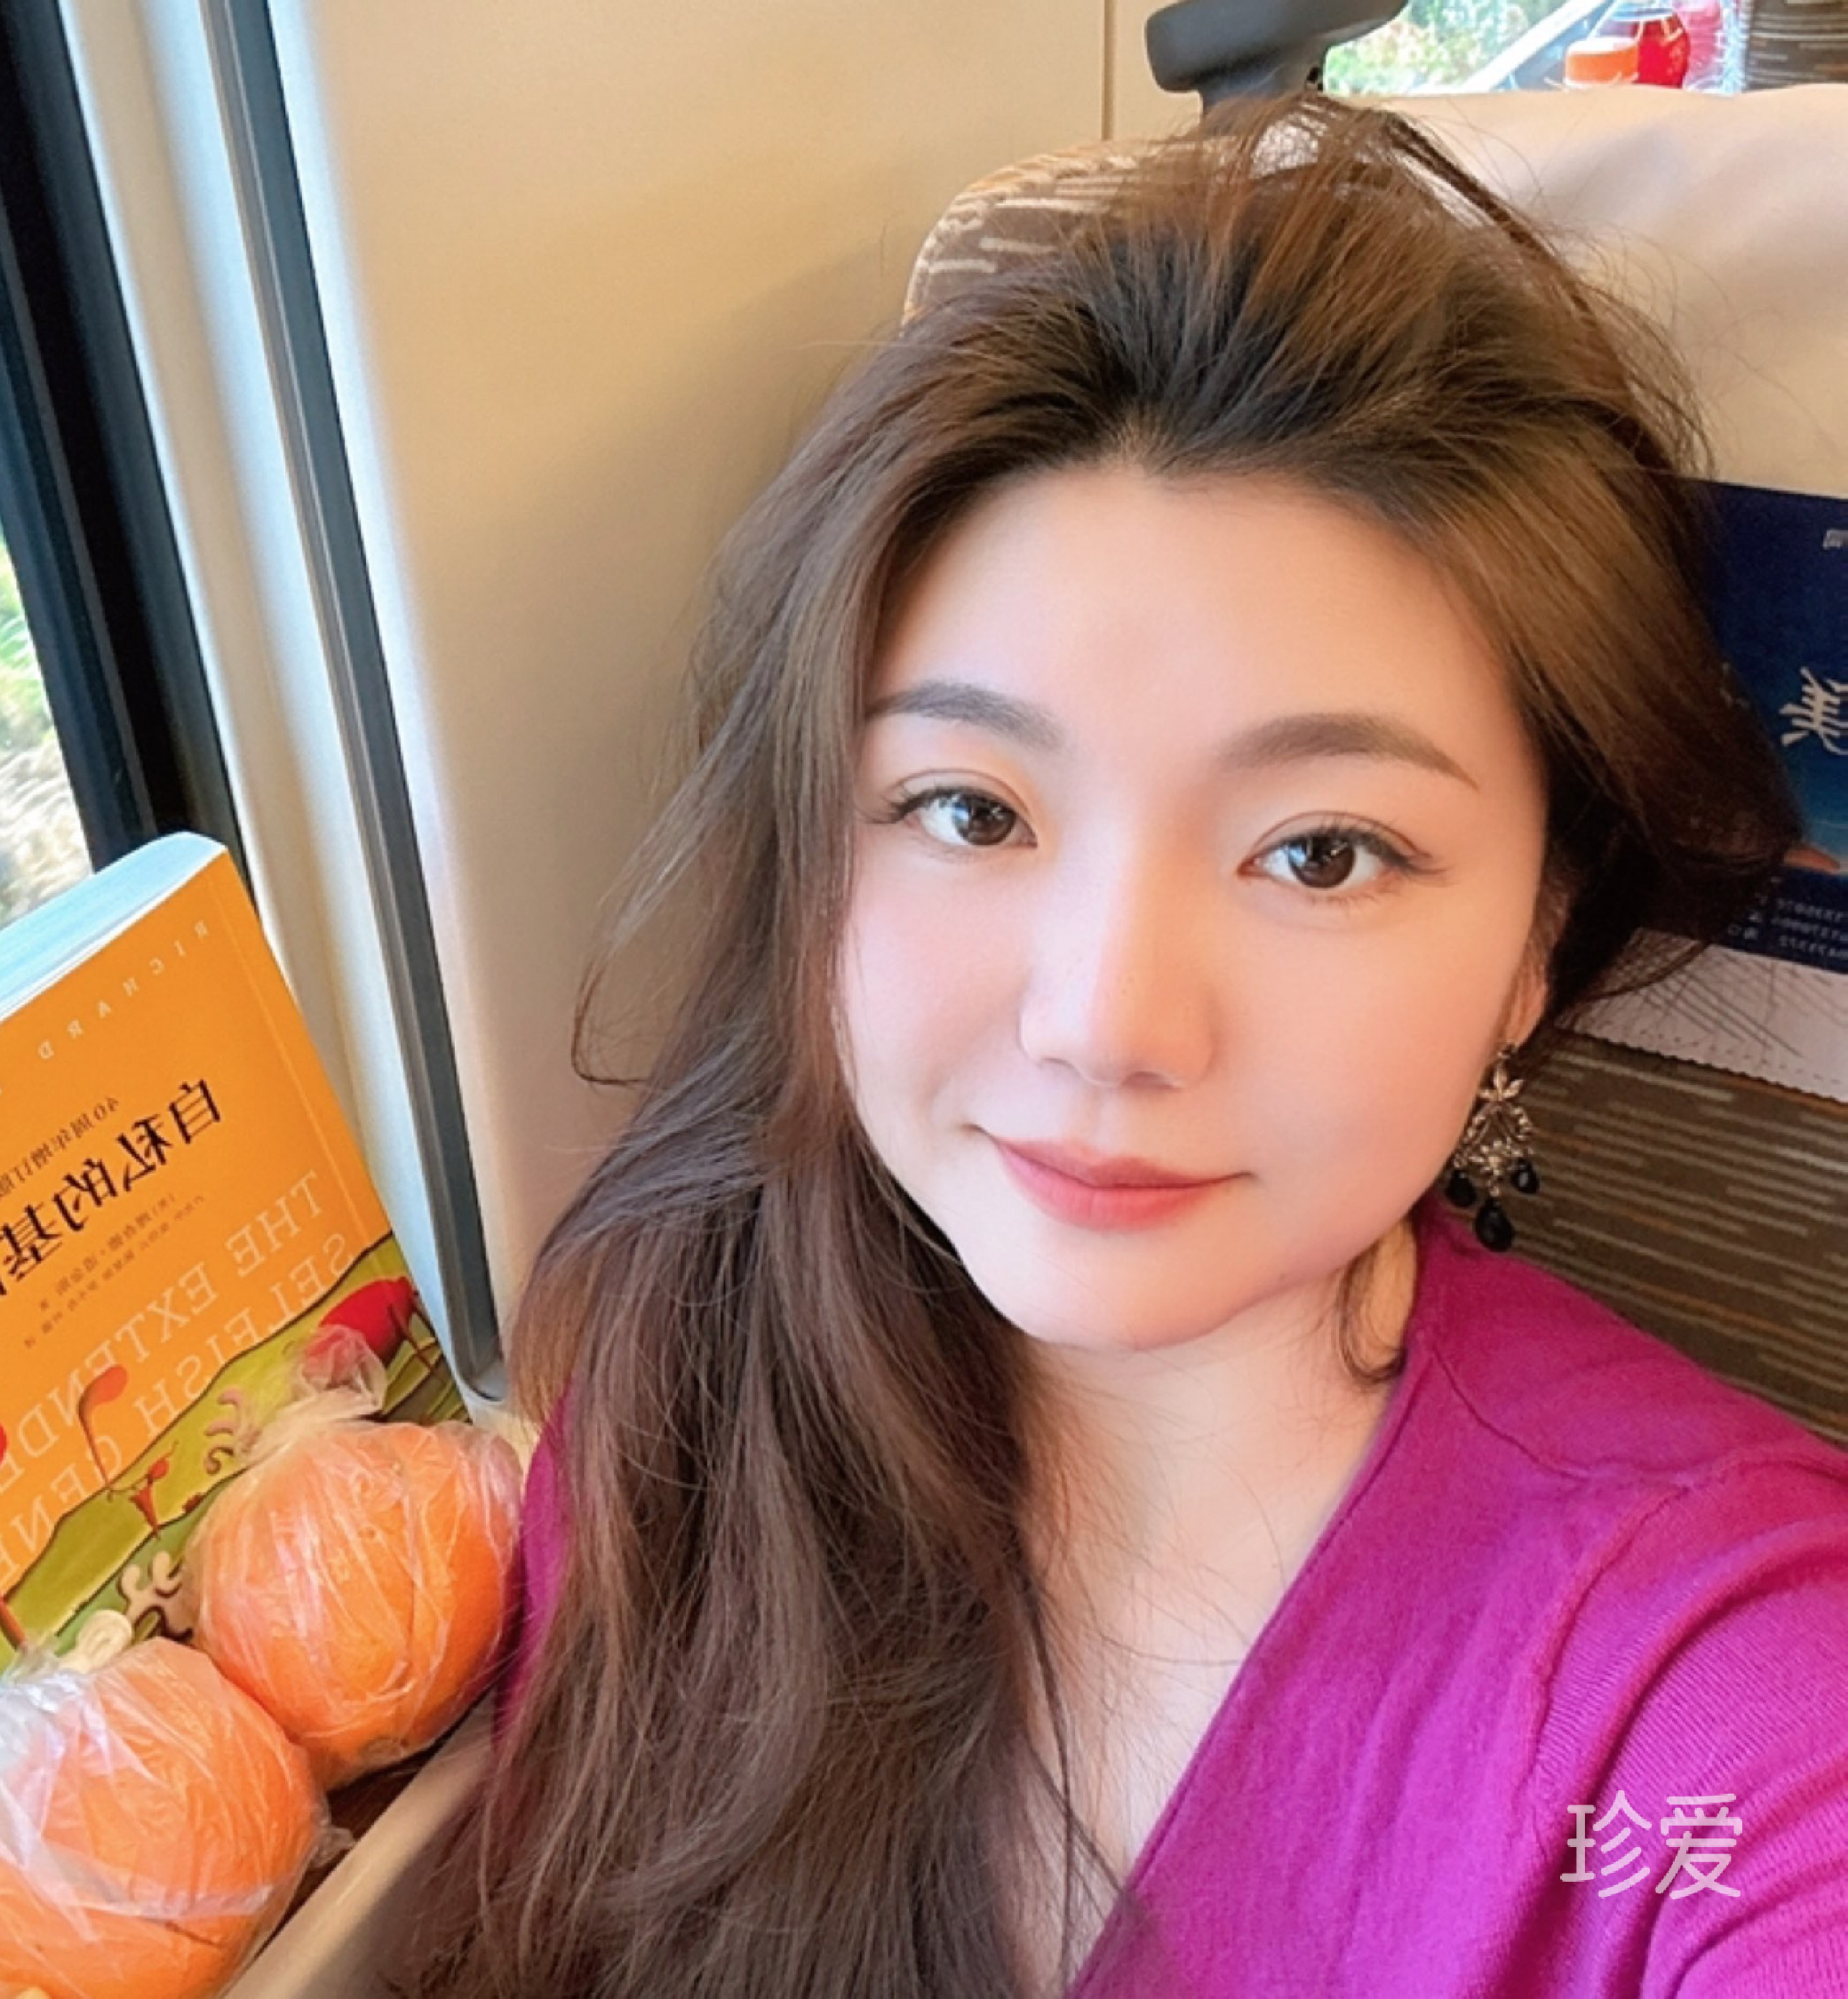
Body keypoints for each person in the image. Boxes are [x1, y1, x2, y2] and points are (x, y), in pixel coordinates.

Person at [400, 95, 1846, 1998]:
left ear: (1537, 939)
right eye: (971, 811)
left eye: (1321, 852)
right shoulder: (686, 1406)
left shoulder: (1719, 1696)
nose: (1104, 1023)